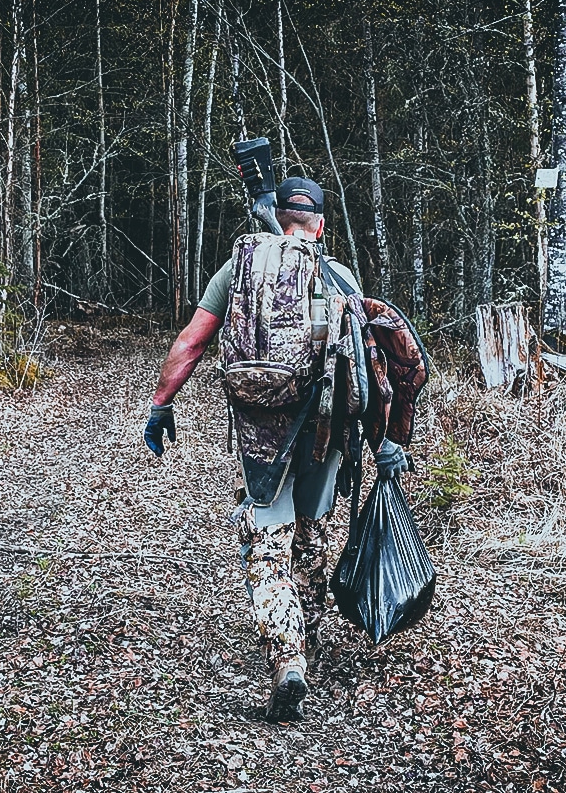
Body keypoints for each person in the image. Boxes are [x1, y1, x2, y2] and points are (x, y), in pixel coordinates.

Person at [143, 176, 406, 722]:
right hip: (324, 433)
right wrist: (383, 441)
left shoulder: (237, 270)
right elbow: (369, 368)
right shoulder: (339, 276)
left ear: (275, 215)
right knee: (312, 528)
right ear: (321, 225)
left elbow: (192, 340)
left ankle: (289, 659)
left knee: (266, 540)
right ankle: (306, 632)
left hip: (262, 431)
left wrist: (162, 403)